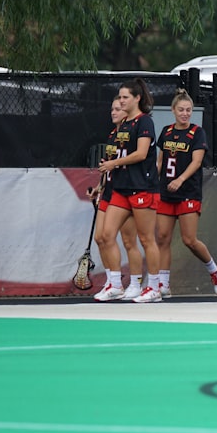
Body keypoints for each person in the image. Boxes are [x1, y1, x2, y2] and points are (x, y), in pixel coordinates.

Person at [94, 77, 161, 302]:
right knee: (105, 235)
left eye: (125, 97)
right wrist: (105, 176)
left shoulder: (144, 122)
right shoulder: (123, 126)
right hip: (121, 188)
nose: (121, 101)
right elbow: (115, 156)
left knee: (146, 239)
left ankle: (153, 287)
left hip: (142, 187)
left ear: (137, 98)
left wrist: (113, 164)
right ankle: (114, 284)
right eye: (119, 97)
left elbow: (141, 154)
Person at [155, 88, 217, 296]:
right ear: (173, 110)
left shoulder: (197, 132)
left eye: (188, 110)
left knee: (189, 240)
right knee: (163, 238)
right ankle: (163, 284)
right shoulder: (166, 131)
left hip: (188, 191)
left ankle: (214, 270)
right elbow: (160, 161)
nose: (185, 113)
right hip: (166, 192)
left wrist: (180, 179)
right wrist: (153, 181)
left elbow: (196, 162)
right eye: (181, 110)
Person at [91, 96, 145, 297]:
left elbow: (136, 158)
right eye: (112, 109)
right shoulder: (114, 134)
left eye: (118, 108)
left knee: (129, 241)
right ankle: (113, 281)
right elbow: (110, 166)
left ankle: (135, 283)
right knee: (101, 237)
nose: (114, 112)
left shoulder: (133, 133)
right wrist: (99, 186)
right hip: (109, 190)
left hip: (124, 192)